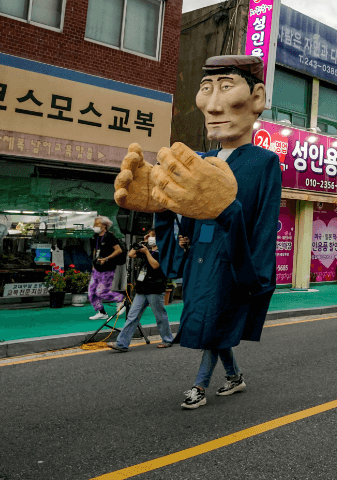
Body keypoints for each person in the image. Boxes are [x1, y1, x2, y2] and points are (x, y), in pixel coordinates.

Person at [115, 54, 282, 410]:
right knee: (211, 323)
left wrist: (258, 273)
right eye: (206, 89)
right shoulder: (201, 159)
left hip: (234, 262)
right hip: (200, 261)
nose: (214, 103)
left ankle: (199, 386)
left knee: (212, 324)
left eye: (226, 87)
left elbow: (264, 225)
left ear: (257, 99)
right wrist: (161, 207)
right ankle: (234, 377)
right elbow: (183, 219)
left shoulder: (264, 162)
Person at [107, 231, 174, 351]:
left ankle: (167, 339)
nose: (151, 238)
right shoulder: (145, 249)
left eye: (153, 236)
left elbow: (155, 266)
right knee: (132, 316)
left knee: (160, 316)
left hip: (155, 289)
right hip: (142, 288)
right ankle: (122, 343)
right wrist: (142, 242)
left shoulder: (163, 252)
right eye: (150, 236)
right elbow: (131, 254)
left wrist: (147, 252)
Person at [87, 216, 125, 321]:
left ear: (104, 225)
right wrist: (93, 265)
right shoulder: (95, 236)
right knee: (91, 292)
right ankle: (101, 312)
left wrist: (106, 258)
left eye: (97, 224)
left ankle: (121, 300)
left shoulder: (109, 236)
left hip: (107, 268)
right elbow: (95, 250)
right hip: (97, 268)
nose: (95, 226)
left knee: (101, 292)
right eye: (95, 224)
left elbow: (118, 250)